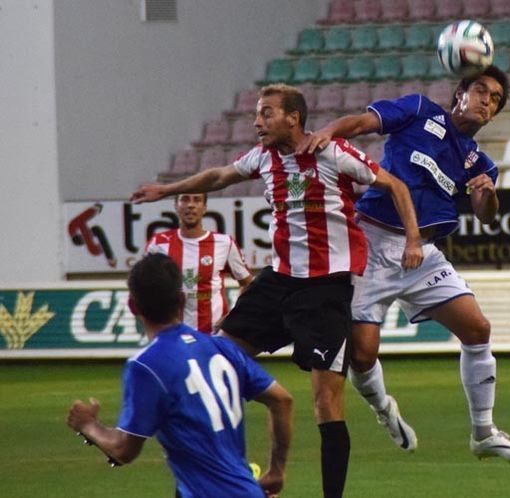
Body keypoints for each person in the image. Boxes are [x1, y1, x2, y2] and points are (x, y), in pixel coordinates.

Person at [130, 84, 424, 498]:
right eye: (256, 113)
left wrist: (413, 241)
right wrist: (167, 190)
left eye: (266, 113)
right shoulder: (264, 158)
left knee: (325, 402)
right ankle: (214, 478)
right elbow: (218, 176)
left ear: (293, 117)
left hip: (326, 289)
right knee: (215, 361)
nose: (256, 121)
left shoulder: (329, 152)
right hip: (280, 281)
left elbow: (396, 186)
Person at [298, 65, 510, 462]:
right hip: (371, 242)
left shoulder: (479, 162)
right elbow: (362, 121)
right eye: (480, 90)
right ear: (459, 93)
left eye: (494, 100)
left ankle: (483, 432)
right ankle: (383, 408)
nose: (485, 101)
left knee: (478, 328)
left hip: (422, 253)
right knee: (362, 355)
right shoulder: (418, 110)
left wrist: (488, 193)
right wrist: (327, 133)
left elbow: (486, 215)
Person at [66, 253, 293, 498]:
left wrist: (88, 425)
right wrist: (276, 471)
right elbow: (282, 400)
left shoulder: (146, 366)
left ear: (133, 306)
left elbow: (123, 449)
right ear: (182, 301)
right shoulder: (221, 348)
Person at [145, 192, 253, 333]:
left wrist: (233, 316)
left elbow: (248, 284)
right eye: (185, 200)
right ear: (176, 206)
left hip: (213, 335)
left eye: (197, 200)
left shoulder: (224, 243)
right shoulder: (158, 243)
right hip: (173, 334)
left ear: (204, 207)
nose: (190, 205)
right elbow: (145, 287)